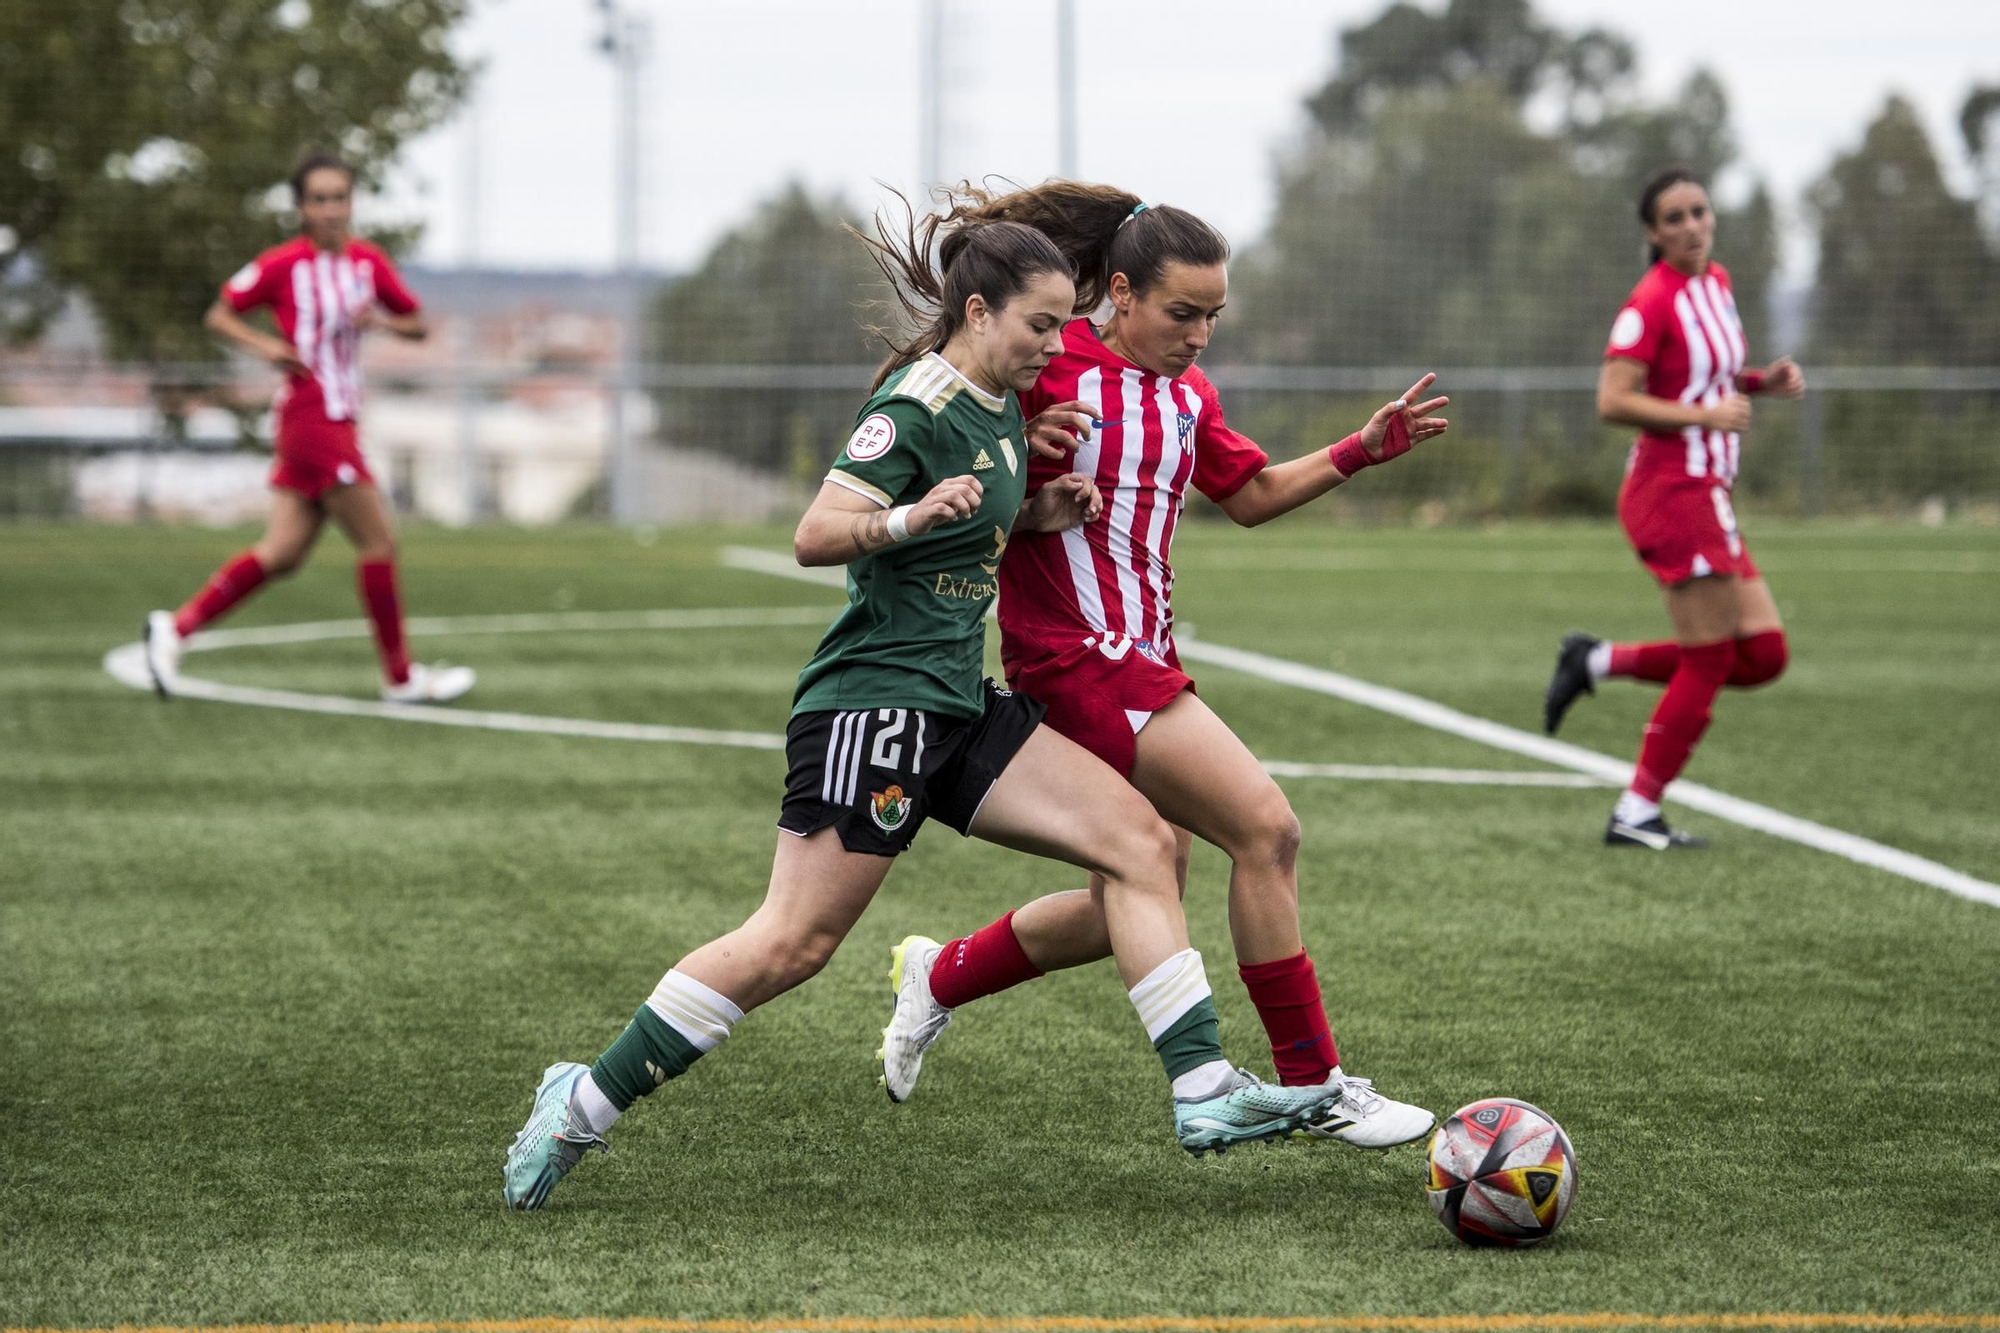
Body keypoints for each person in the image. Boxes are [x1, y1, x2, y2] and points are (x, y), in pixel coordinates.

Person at [502, 218, 1344, 1211]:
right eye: (1037, 325)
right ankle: (580, 1102)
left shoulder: (997, 410)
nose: (1050, 346)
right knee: (791, 942)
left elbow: (978, 518)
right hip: (874, 704)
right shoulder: (916, 406)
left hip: (955, 702)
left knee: (1141, 843)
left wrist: (1032, 511)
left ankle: (1203, 1090)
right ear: (978, 312)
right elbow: (816, 534)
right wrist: (908, 517)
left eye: (1061, 325)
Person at [871, 182, 1444, 1150]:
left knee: (1136, 893)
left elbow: (1251, 493)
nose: (1198, 335)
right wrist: (1023, 468)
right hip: (1075, 659)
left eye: (1213, 317)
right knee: (1265, 829)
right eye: (1181, 313)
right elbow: (952, 468)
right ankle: (1316, 1085)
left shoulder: (1188, 394)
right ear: (1121, 294)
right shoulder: (1051, 368)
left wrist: (1360, 449)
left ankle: (943, 972)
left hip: (1145, 656)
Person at [141, 151, 473, 704]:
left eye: (339, 197)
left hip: (339, 417)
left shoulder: (368, 263)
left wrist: (382, 322)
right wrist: (268, 345)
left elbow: (417, 324)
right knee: (378, 541)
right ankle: (400, 679)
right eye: (318, 199)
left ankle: (172, 631)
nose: (330, 209)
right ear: (300, 207)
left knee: (283, 553)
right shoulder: (282, 264)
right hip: (311, 417)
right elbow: (220, 314)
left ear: (352, 202)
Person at [1541, 167, 1804, 849]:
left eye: (1700, 211)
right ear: (1653, 233)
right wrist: (1704, 412)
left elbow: (1705, 375)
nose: (1692, 225)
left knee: (1764, 653)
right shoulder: (1650, 301)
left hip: (1709, 493)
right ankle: (1636, 810)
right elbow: (1613, 399)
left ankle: (1595, 662)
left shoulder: (1715, 284)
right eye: (1675, 217)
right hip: (1672, 494)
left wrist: (1757, 383)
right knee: (1713, 658)